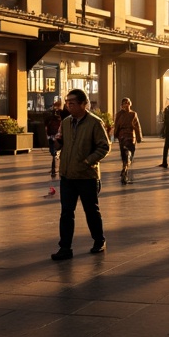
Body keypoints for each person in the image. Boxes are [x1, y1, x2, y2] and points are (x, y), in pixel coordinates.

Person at [52, 88, 110, 260]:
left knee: (91, 210)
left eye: (72, 103)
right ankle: (65, 248)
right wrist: (57, 143)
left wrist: (88, 161)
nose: (68, 105)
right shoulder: (66, 122)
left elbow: (104, 146)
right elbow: (62, 143)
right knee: (66, 213)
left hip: (87, 176)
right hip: (67, 175)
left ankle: (99, 240)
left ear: (84, 104)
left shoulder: (94, 123)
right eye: (67, 102)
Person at [112, 97, 143, 184]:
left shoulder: (119, 114)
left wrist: (116, 135)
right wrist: (139, 137)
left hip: (122, 137)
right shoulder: (133, 114)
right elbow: (137, 127)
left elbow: (117, 126)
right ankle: (125, 170)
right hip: (130, 137)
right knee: (130, 155)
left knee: (124, 155)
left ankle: (124, 170)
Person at [45, 97, 64, 178]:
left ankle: (54, 168)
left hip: (53, 135)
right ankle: (55, 168)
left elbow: (46, 125)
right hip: (55, 135)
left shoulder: (52, 114)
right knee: (54, 152)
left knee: (54, 152)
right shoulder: (61, 114)